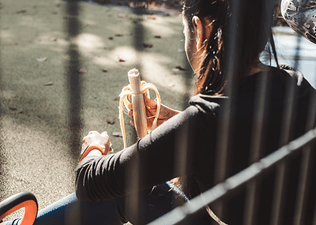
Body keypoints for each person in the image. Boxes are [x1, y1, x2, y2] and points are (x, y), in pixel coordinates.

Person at [5, 0, 316, 224]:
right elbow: (244, 135)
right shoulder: (299, 86)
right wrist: (174, 119)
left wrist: (94, 148)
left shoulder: (204, 122)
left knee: (122, 192)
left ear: (200, 28)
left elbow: (90, 181)